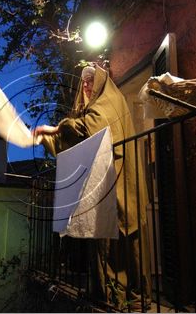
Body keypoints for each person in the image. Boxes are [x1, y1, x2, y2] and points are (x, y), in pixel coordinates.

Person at [33, 65, 152, 310]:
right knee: (103, 235)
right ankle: (107, 294)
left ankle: (131, 296)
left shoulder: (110, 100)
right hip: (102, 180)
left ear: (100, 83)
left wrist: (57, 128)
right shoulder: (90, 109)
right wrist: (46, 137)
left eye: (90, 81)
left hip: (118, 177)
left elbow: (90, 128)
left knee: (122, 233)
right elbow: (76, 140)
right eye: (83, 82)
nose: (86, 85)